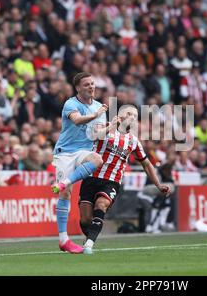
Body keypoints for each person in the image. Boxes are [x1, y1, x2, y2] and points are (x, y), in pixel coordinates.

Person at [78, 105, 171, 254]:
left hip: (111, 181)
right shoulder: (104, 127)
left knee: (101, 205)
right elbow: (94, 137)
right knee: (85, 219)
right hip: (91, 178)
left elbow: (146, 164)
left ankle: (89, 244)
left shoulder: (133, 141)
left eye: (134, 116)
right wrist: (111, 127)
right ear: (120, 115)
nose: (132, 117)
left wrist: (159, 185)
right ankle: (90, 236)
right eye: (129, 114)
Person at [51, 72, 108, 254]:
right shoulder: (71, 104)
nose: (91, 87)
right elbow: (76, 121)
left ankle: (66, 181)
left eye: (92, 83)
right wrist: (96, 114)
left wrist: (111, 126)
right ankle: (63, 240)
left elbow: (97, 134)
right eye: (86, 85)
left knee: (97, 159)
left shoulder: (99, 107)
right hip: (65, 153)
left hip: (83, 150)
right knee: (65, 195)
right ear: (78, 88)